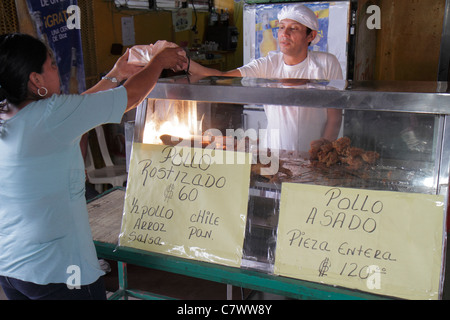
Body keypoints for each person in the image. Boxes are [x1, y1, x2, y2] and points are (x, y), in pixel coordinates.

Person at [0, 33, 187, 300]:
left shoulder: (10, 114)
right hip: (60, 272)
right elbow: (131, 96)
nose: (57, 71)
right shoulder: (51, 115)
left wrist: (115, 74)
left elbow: (78, 108)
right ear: (36, 80)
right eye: (52, 65)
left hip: (11, 268)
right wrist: (157, 63)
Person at [189, 4, 343, 152]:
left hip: (313, 154)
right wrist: (185, 62)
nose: (285, 34)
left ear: (311, 35)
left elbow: (334, 116)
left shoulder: (327, 64)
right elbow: (222, 78)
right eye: (282, 27)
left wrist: (324, 148)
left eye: (294, 28)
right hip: (273, 153)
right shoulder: (268, 64)